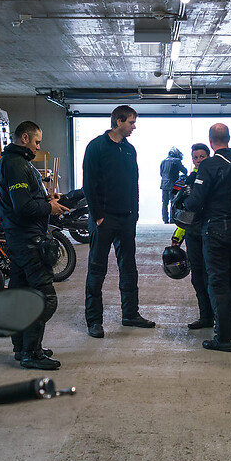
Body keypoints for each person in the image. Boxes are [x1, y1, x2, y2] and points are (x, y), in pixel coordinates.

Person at [0, 120, 68, 370]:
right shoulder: (15, 164)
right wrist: (49, 208)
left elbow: (26, 199)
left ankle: (22, 348)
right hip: (28, 241)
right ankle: (31, 352)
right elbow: (23, 207)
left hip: (20, 239)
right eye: (37, 142)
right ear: (25, 138)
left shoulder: (15, 162)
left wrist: (48, 199)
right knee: (46, 299)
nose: (38, 147)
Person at [83, 105, 155, 337]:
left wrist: (134, 214)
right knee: (97, 270)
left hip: (126, 219)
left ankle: (130, 314)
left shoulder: (129, 149)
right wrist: (98, 216)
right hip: (104, 219)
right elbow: (88, 184)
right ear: (119, 121)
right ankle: (94, 321)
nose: (134, 127)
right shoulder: (96, 147)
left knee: (129, 269)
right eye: (131, 122)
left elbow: (133, 183)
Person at [185, 123, 231, 352]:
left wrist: (187, 200)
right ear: (229, 137)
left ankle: (224, 338)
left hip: (216, 229)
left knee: (217, 282)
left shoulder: (209, 165)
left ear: (210, 140)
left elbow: (195, 201)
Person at [171, 143, 213, 328]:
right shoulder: (189, 180)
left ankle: (219, 317)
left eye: (202, 157)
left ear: (208, 156)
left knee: (212, 277)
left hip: (211, 233)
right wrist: (177, 237)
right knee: (197, 277)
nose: (198, 160)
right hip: (192, 234)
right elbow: (185, 213)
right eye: (195, 157)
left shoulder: (214, 176)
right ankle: (205, 317)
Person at [160, 146, 187, 223]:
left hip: (164, 184)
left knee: (165, 202)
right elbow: (185, 171)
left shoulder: (163, 161)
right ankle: (172, 219)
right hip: (173, 185)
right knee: (173, 201)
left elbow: (161, 173)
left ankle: (165, 219)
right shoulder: (176, 161)